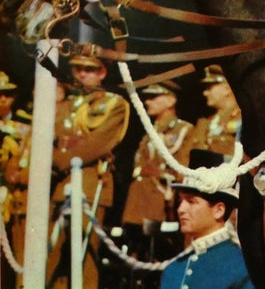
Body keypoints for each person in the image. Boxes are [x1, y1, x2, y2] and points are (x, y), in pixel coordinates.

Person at [47, 55, 131, 288]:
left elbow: (95, 145)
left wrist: (56, 163)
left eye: (89, 69)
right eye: (77, 69)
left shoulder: (113, 104)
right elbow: (48, 137)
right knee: (54, 257)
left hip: (89, 183)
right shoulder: (68, 104)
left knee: (83, 255)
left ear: (102, 72)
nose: (82, 74)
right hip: (60, 185)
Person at [160, 149, 253, 288]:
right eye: (180, 201)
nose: (180, 209)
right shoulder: (173, 269)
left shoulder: (241, 268)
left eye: (191, 201)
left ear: (218, 210)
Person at [122, 81, 193, 260]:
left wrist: (160, 175)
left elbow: (183, 168)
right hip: (141, 200)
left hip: (166, 199)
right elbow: (138, 164)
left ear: (170, 101)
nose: (148, 102)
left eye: (153, 97)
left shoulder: (185, 130)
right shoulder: (149, 133)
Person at [0, 71, 30, 288]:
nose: (3, 99)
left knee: (13, 250)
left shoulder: (24, 127)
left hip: (15, 196)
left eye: (8, 94)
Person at [185, 65, 242, 157]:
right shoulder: (205, 123)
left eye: (209, 88)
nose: (205, 93)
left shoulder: (243, 117)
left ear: (226, 89)